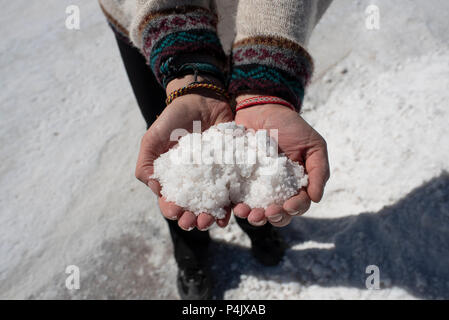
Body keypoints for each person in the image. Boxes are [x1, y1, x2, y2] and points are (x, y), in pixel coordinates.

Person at [99, 0, 331, 299]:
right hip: (148, 17)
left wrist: (265, 83)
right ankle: (191, 251)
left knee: (252, 129)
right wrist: (185, 62)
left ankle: (257, 226)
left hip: (256, 18)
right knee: (174, 129)